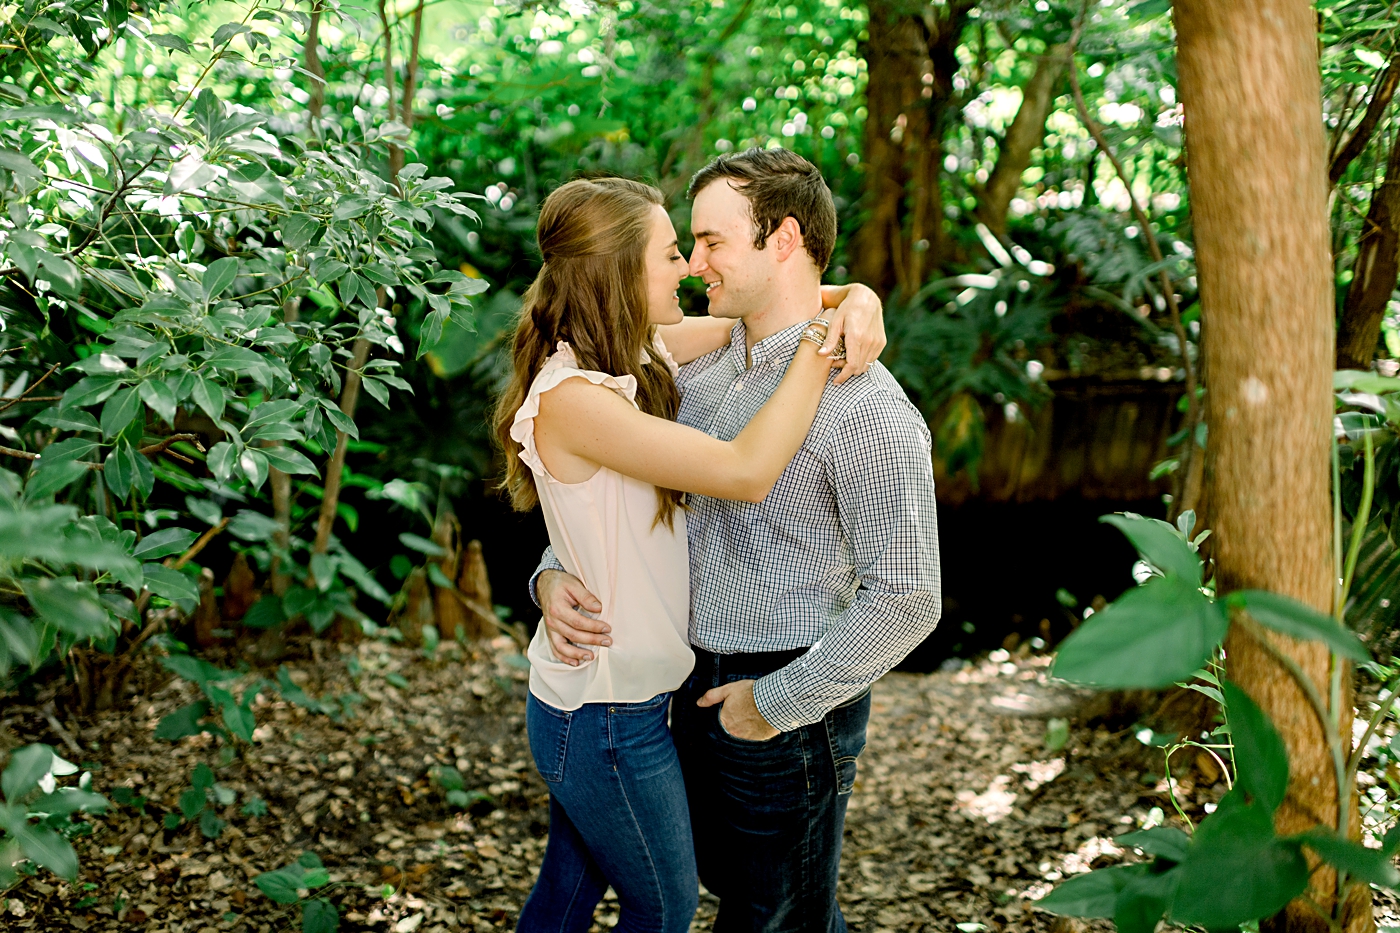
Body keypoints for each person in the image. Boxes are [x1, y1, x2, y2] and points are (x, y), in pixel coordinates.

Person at [531, 150, 942, 933]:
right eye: (687, 244)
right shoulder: (695, 370)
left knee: (772, 916)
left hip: (782, 699)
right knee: (760, 902)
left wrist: (774, 703)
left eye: (712, 241)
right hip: (677, 687)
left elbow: (909, 597)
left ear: (782, 239)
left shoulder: (868, 409)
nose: (693, 264)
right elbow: (613, 492)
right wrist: (554, 572)